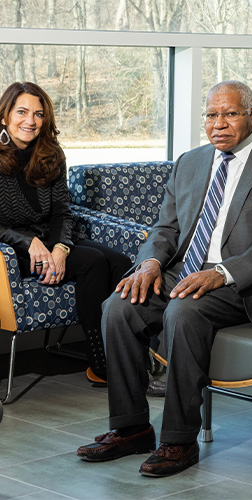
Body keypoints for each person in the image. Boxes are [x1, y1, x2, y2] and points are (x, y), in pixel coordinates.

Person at [76, 81, 252, 477]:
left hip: (245, 285)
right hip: (182, 273)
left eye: (230, 114)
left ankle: (179, 439)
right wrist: (149, 263)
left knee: (184, 312)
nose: (218, 124)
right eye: (211, 115)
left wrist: (221, 274)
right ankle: (132, 428)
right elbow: (165, 228)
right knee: (118, 307)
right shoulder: (190, 162)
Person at [0, 81, 131, 384]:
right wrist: (28, 241)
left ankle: (132, 356)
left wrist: (60, 247)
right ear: (5, 116)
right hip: (11, 250)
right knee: (94, 263)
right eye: (22, 112)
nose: (30, 121)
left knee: (122, 264)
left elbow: (62, 210)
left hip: (49, 238)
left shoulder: (50, 153)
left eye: (38, 114)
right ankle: (102, 366)